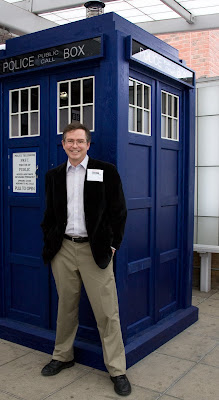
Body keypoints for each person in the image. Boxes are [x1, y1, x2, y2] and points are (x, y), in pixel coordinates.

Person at [41, 122, 131, 396]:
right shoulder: (54, 176)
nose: (75, 146)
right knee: (66, 307)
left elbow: (119, 211)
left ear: (88, 144)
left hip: (96, 250)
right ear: (64, 144)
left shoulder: (106, 171)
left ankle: (117, 370)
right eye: (70, 141)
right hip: (64, 250)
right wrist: (51, 240)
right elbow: (50, 215)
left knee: (106, 312)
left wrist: (113, 245)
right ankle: (62, 356)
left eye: (80, 141)